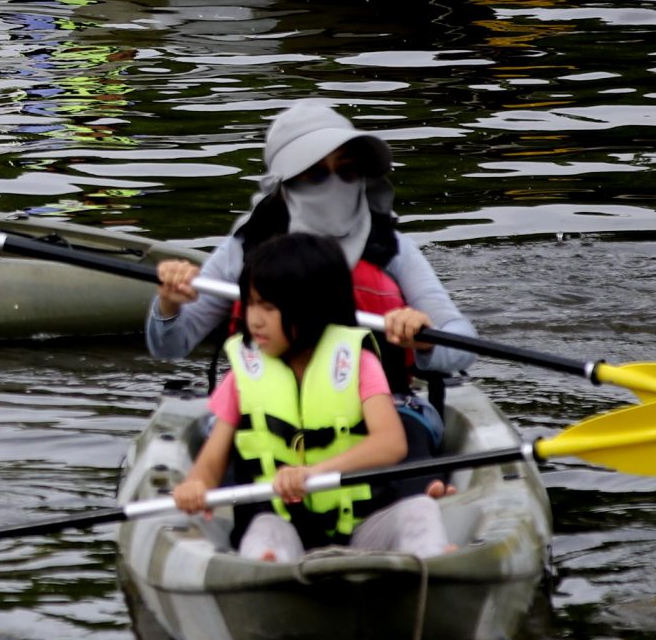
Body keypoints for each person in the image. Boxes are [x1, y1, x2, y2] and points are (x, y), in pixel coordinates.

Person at [148, 100, 476, 455]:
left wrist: (424, 337)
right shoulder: (244, 249)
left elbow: (461, 344)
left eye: (347, 172)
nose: (335, 184)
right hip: (263, 407)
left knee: (408, 444)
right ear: (285, 184)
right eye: (317, 174)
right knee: (230, 456)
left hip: (379, 408)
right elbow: (170, 345)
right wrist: (168, 303)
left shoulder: (391, 249)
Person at [169, 232, 453, 561]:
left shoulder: (356, 361)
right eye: (250, 304)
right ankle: (268, 575)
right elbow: (211, 462)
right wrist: (196, 485)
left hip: (363, 528)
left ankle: (434, 564)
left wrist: (314, 473)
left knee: (418, 509)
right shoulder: (244, 373)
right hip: (284, 525)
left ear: (310, 309)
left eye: (269, 307)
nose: (254, 319)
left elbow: (391, 443)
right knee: (264, 530)